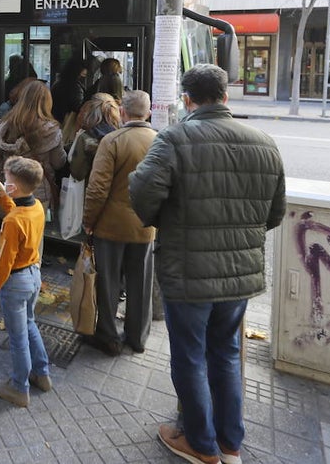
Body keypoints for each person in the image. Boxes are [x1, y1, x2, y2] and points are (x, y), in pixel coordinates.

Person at [129, 64, 285, 464]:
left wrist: (164, 221)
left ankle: (199, 444)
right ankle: (230, 443)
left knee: (190, 356)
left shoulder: (175, 138)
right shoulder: (264, 142)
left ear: (187, 99)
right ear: (226, 97)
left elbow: (142, 191)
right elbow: (275, 214)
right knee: (227, 354)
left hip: (187, 272)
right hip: (239, 275)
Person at [82, 90, 156, 356]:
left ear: (123, 112)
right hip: (145, 226)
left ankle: (109, 336)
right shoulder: (160, 141)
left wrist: (89, 221)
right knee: (141, 282)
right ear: (147, 113)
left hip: (111, 226)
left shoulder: (112, 141)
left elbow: (97, 188)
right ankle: (137, 338)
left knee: (109, 282)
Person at [0, 156, 52, 408]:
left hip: (16, 282)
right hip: (34, 276)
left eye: (8, 181)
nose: (5, 183)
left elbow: (4, 263)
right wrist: (2, 194)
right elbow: (17, 211)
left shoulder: (11, 222)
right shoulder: (37, 208)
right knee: (30, 324)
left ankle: (19, 388)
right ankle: (42, 374)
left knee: (17, 336)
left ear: (17, 187)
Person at [0, 79, 67, 212]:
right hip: (38, 191)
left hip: (8, 187)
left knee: (9, 226)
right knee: (33, 229)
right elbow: (58, 162)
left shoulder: (5, 126)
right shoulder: (51, 131)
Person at [67, 93, 121, 184]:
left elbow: (77, 173)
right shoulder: (122, 137)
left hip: (91, 189)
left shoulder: (85, 138)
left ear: (90, 111)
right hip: (117, 192)